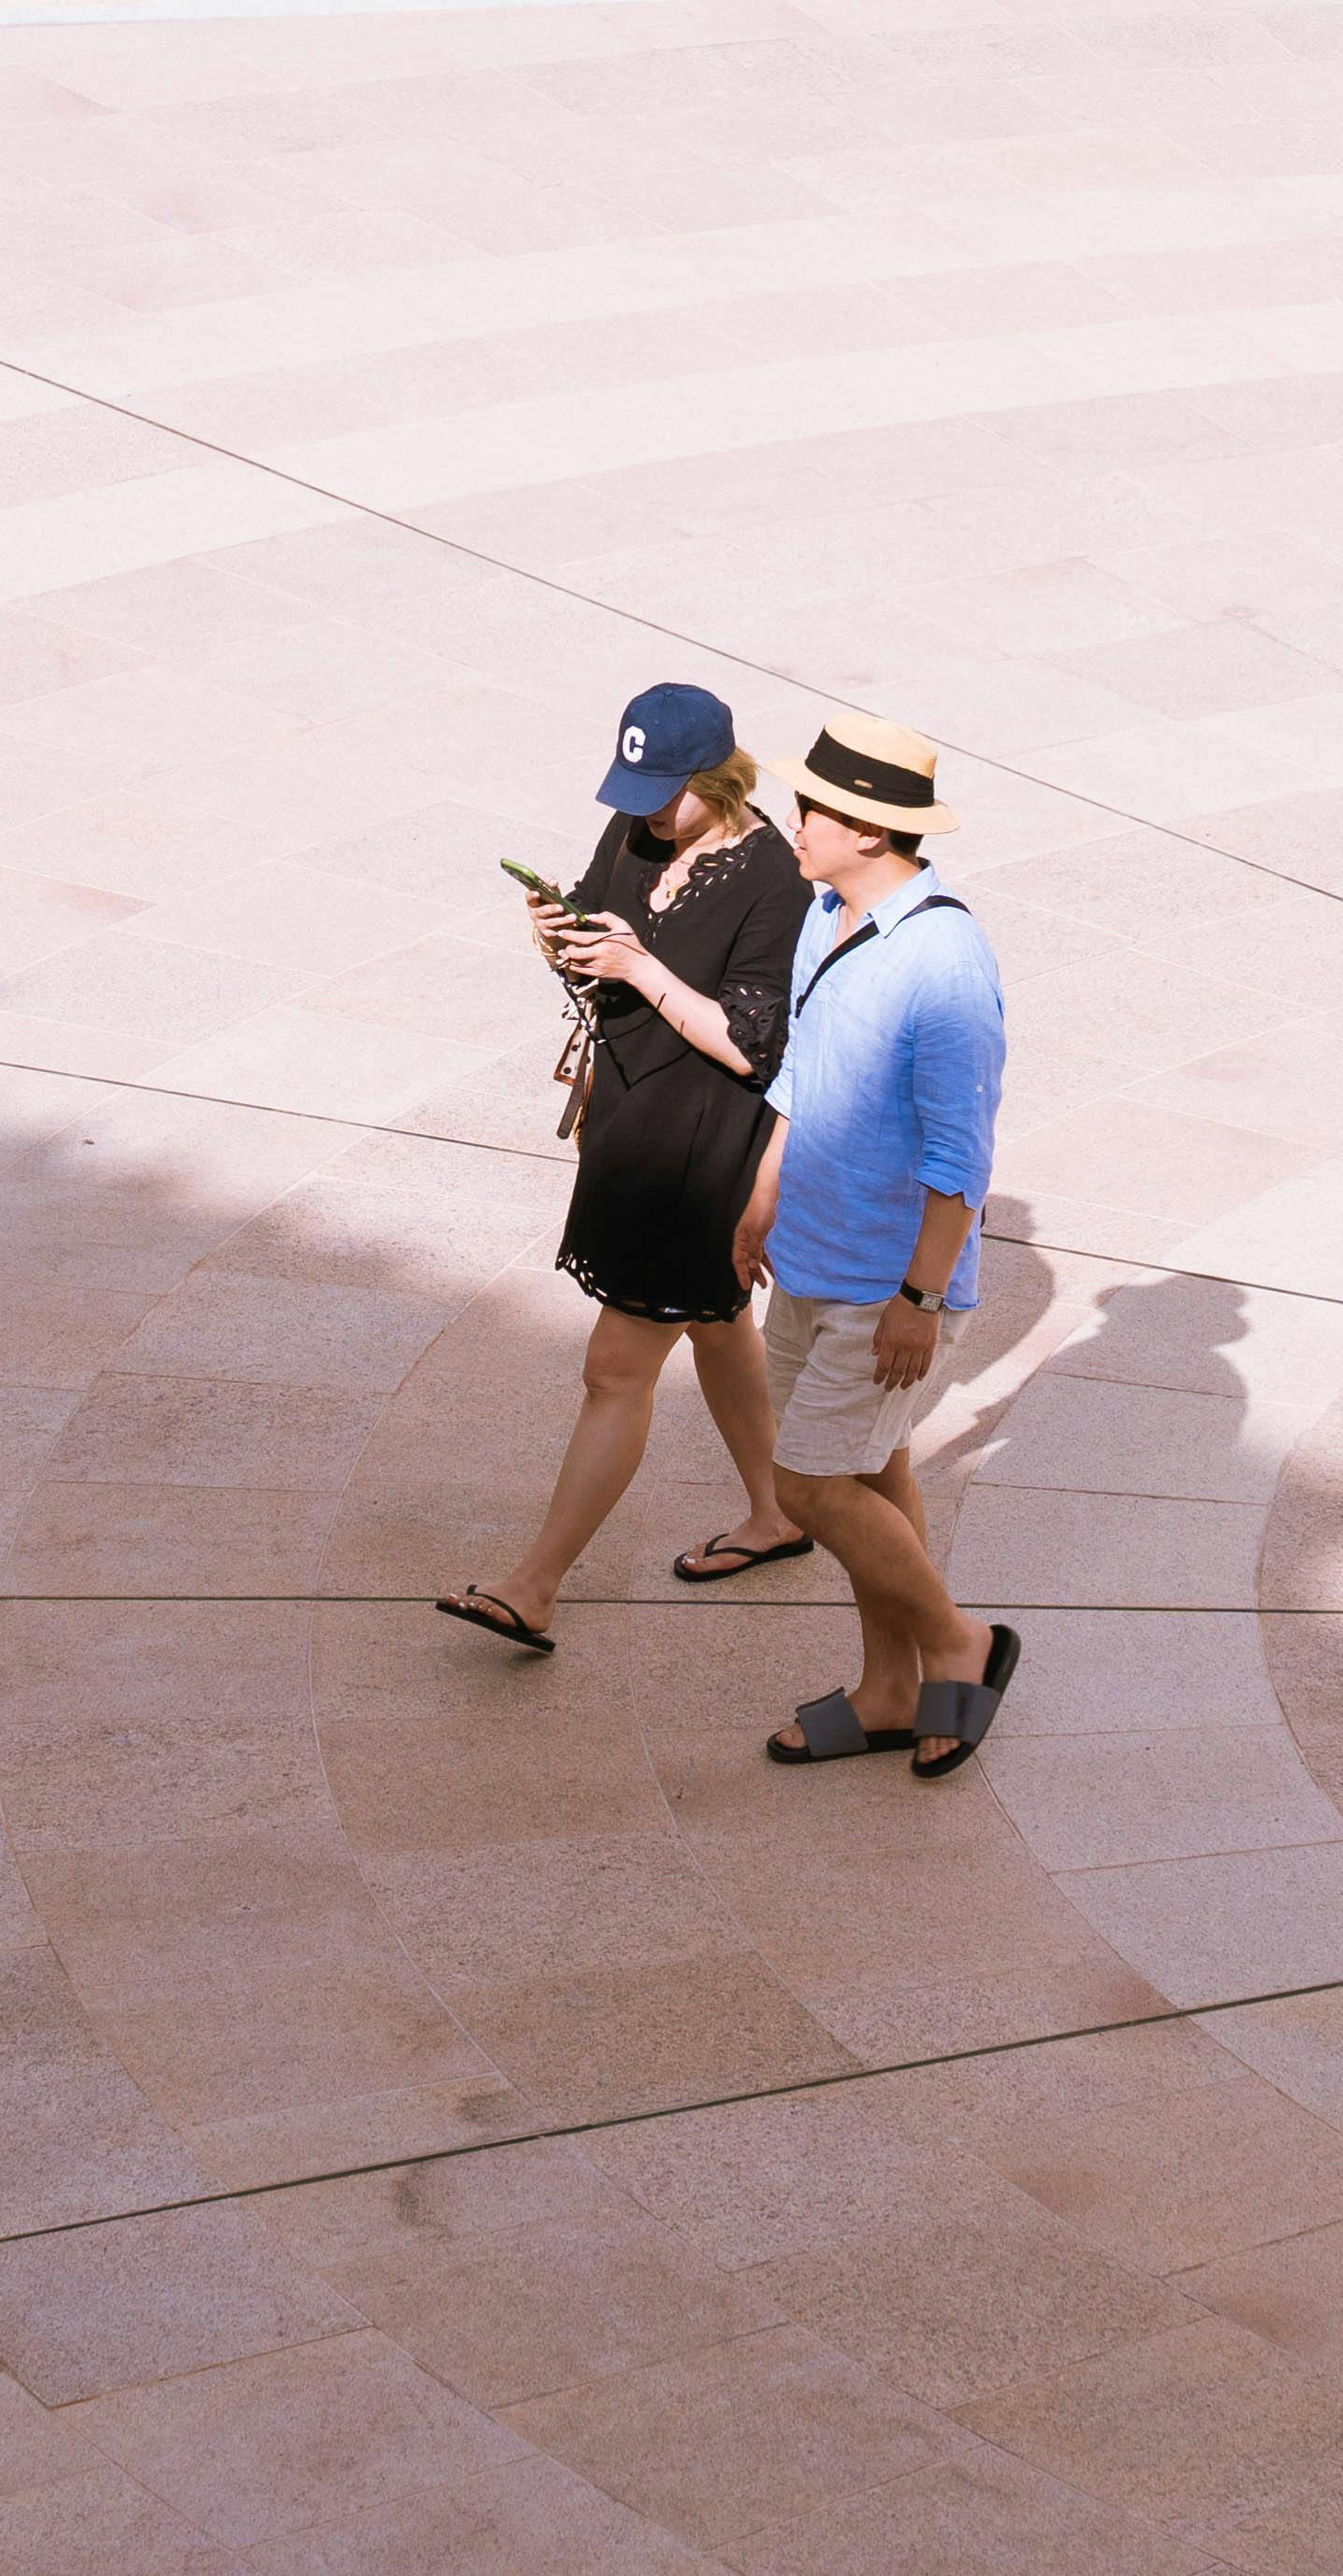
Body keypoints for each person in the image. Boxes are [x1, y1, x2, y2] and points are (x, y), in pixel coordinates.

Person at [438, 683, 811, 1654]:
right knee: (718, 1326)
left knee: (616, 1370)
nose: (643, 807)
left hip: (699, 1155)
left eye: (663, 789)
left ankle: (534, 1586)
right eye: (632, 783)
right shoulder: (635, 828)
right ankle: (777, 1514)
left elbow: (757, 1046)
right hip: (630, 1125)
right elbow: (598, 961)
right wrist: (561, 938)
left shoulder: (775, 880)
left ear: (718, 777)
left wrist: (643, 968)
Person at [735, 713, 1019, 1778]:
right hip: (808, 1250)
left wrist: (920, 1298)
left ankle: (958, 1643)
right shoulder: (827, 914)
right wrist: (762, 1198)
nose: (794, 822)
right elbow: (803, 1074)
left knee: (808, 1487)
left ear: (866, 829)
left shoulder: (943, 964)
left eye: (811, 809)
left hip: (881, 1281)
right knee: (875, 1462)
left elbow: (959, 1161)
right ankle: (891, 1688)